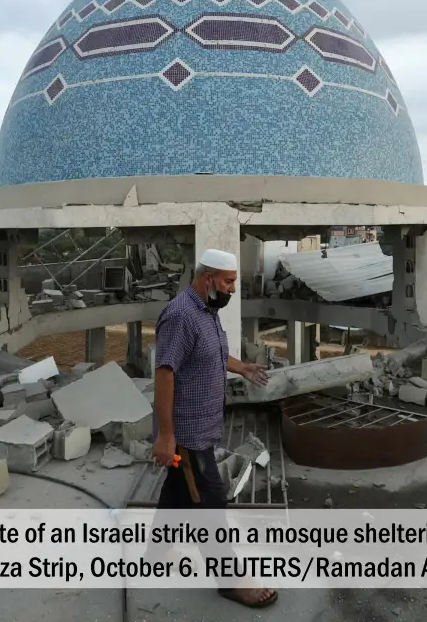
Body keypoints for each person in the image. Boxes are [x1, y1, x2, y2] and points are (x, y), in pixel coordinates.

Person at [151, 247, 278, 609]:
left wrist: (242, 368)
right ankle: (230, 580)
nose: (232, 289)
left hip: (203, 427)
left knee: (178, 490)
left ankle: (155, 554)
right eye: (228, 282)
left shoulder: (207, 311)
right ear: (208, 279)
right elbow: (165, 374)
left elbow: (213, 354)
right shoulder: (180, 316)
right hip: (186, 434)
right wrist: (165, 435)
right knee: (210, 501)